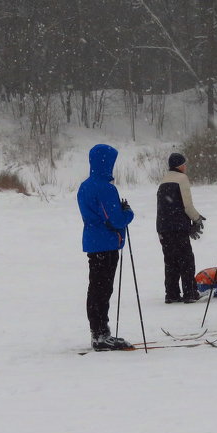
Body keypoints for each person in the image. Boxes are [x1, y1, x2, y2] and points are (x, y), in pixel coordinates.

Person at [77, 143, 135, 350]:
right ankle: (101, 333)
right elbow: (115, 219)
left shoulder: (85, 186)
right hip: (106, 243)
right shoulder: (105, 187)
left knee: (96, 288)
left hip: (94, 242)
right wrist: (128, 213)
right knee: (102, 288)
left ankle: (98, 331)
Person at [156, 152, 205, 303]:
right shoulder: (182, 179)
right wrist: (196, 219)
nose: (186, 167)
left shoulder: (163, 180)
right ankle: (190, 293)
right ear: (180, 166)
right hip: (178, 227)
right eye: (184, 164)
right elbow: (187, 205)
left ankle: (171, 293)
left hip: (163, 227)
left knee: (170, 260)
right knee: (186, 259)